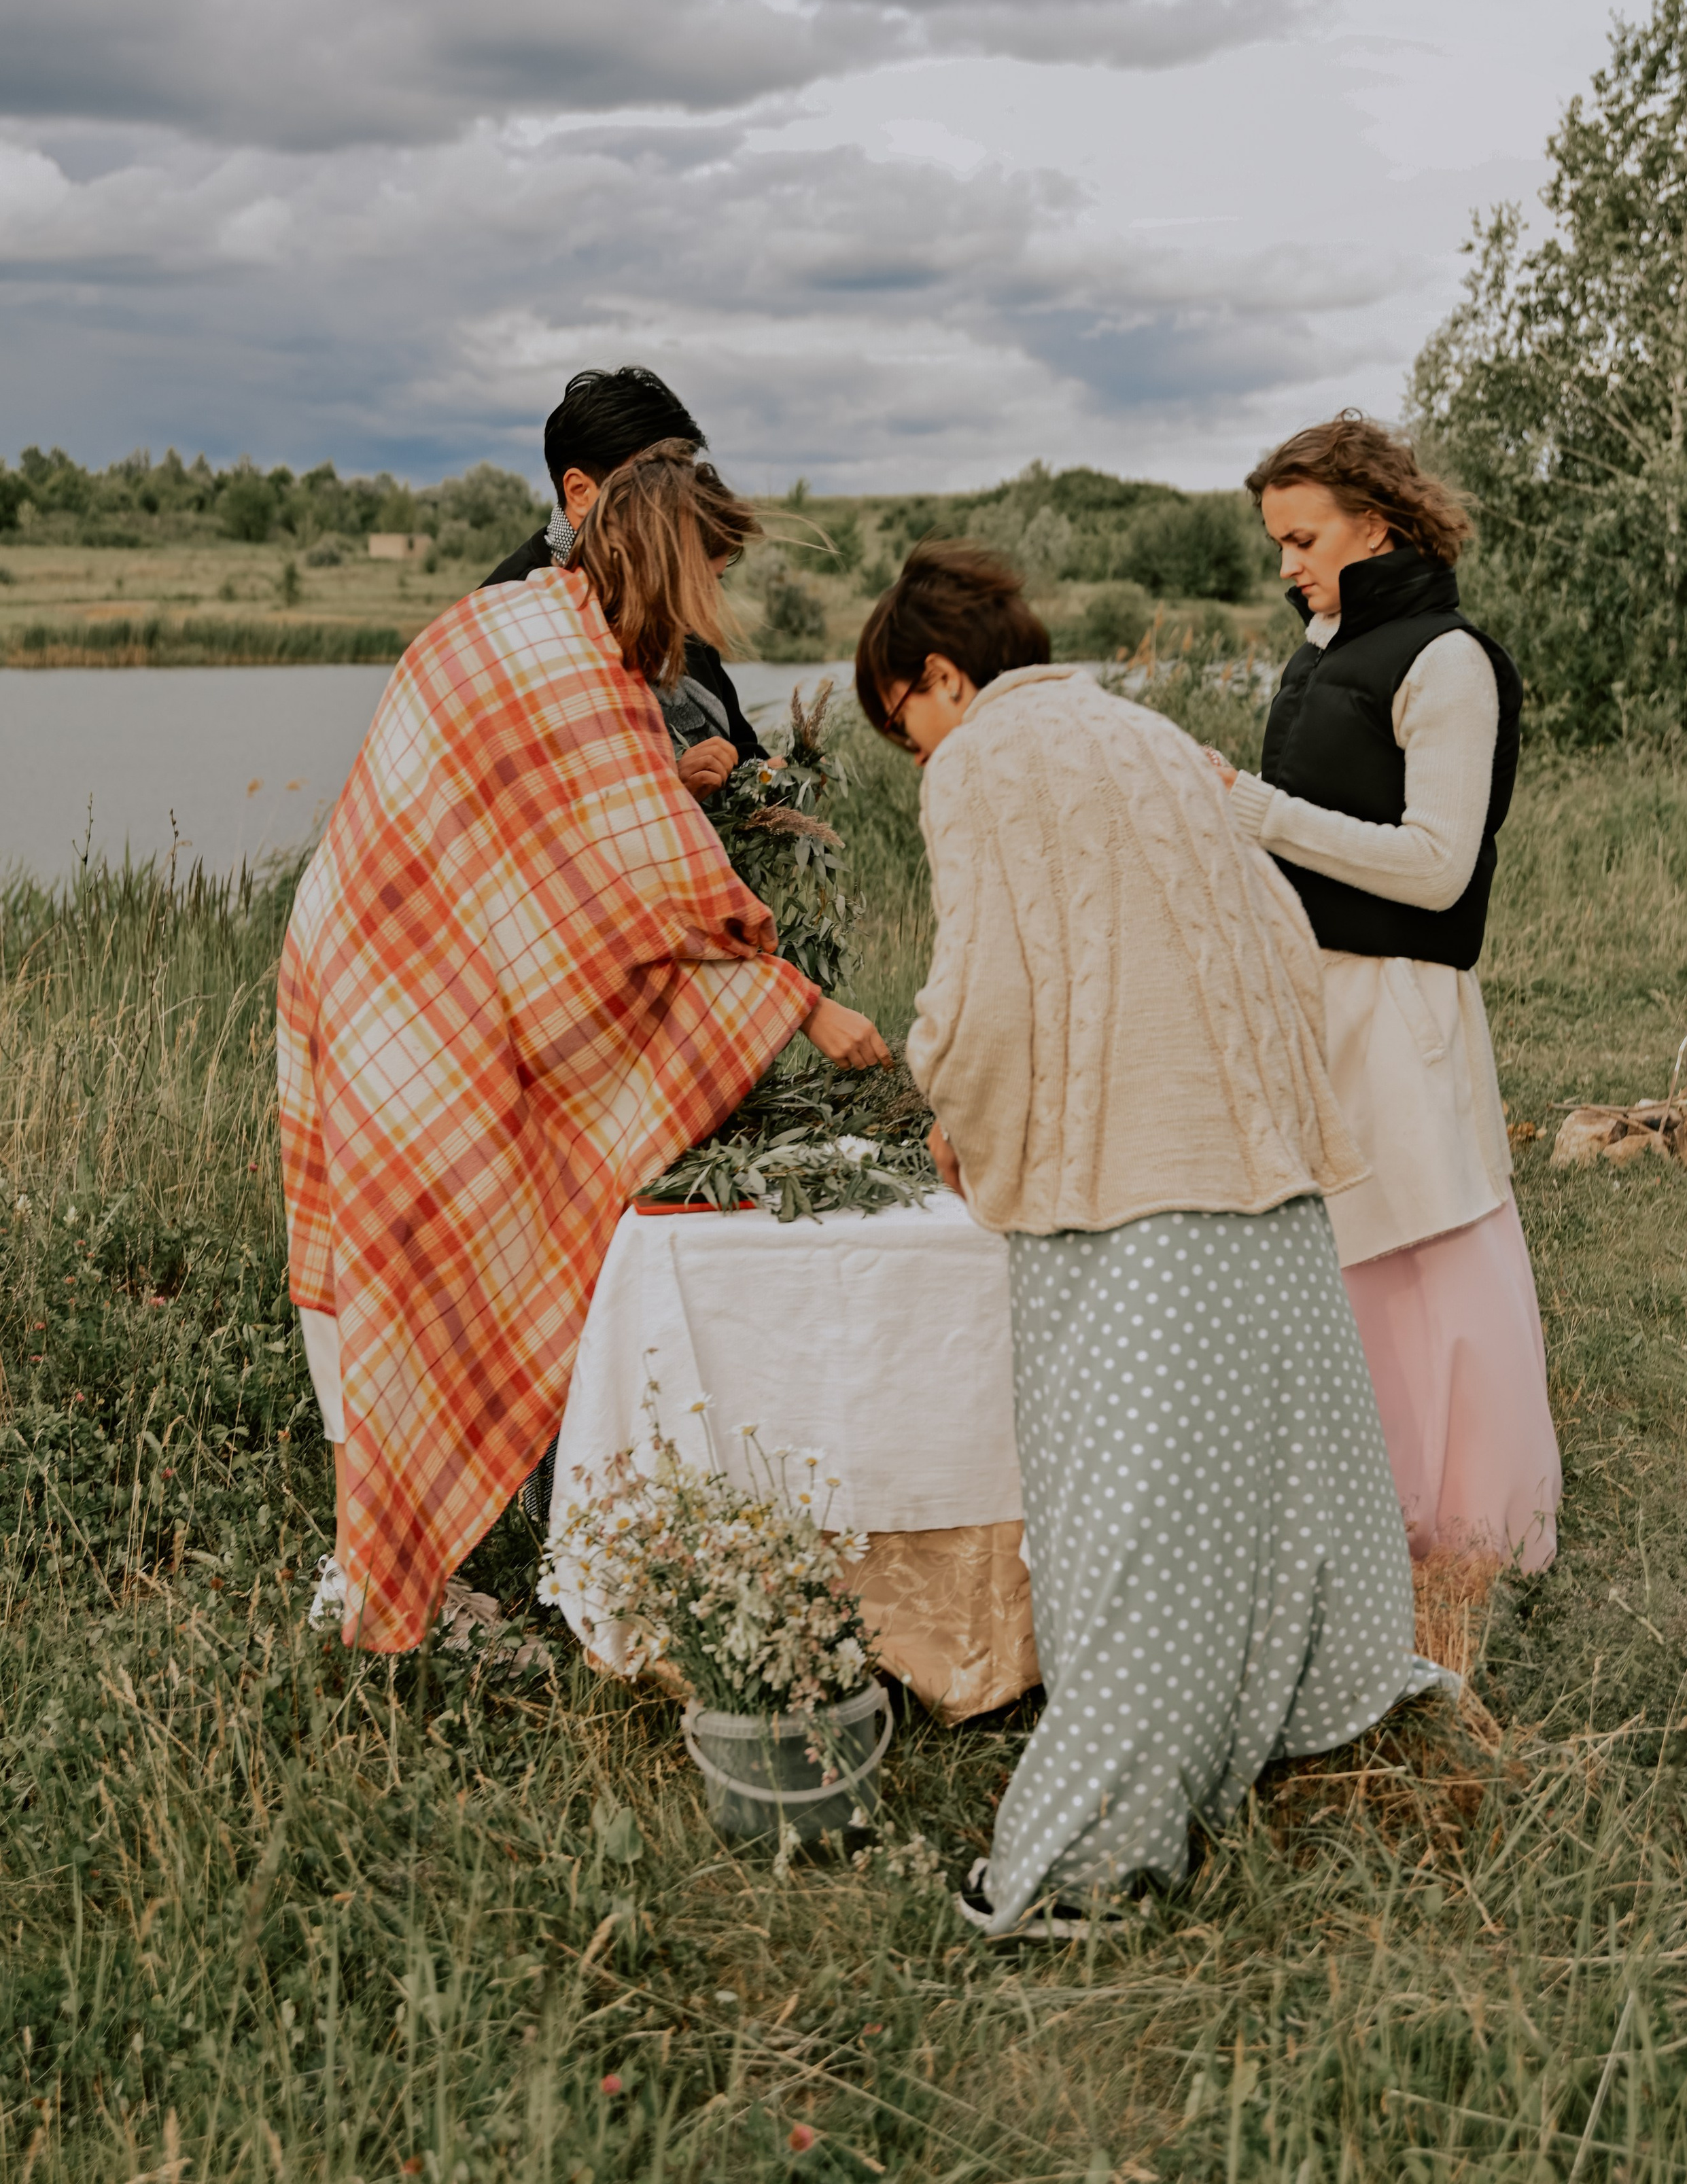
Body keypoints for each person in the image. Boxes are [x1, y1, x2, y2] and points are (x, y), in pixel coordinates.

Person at [858, 542, 1444, 1940]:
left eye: (905, 721)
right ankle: (1311, 1707)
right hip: (1253, 1149)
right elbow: (1268, 926)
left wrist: (947, 1094)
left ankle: (1090, 1859)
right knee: (1274, 1469)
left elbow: (986, 985)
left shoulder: (981, 761)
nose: (914, 753)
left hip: (1127, 1172)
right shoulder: (1143, 732)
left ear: (939, 675)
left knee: (1121, 1514)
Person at [282, 445, 890, 1653]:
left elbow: (575, 858)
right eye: (713, 572)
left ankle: (388, 1566)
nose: (715, 605)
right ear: (670, 565)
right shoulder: (565, 662)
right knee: (419, 1256)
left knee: (404, 1256)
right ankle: (386, 1590)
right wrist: (805, 1007)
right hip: (402, 986)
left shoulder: (519, 624)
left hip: (368, 960)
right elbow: (646, 894)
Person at [1210, 410, 1560, 1574]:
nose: (1286, 564)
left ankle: (1478, 1535)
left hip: (1401, 1003)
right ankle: (1369, 1519)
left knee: (1430, 1258)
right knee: (1343, 1263)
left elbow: (1437, 864)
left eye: (1302, 537)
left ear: (1376, 521)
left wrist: (1256, 810)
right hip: (1313, 1002)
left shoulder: (1449, 659)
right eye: (1278, 543)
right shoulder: (1320, 649)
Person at [485, 364, 763, 800]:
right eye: (655, 477)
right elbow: (523, 807)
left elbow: (740, 746)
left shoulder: (668, 585)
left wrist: (771, 782)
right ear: (580, 491)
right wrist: (669, 786)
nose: (681, 496)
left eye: (683, 474)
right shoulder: (505, 616)